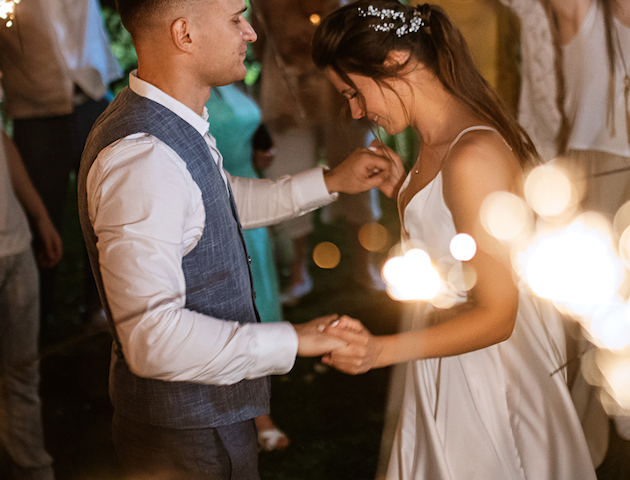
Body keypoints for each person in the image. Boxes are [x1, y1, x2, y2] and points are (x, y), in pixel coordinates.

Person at [76, 0, 394, 478]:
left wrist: (331, 181)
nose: (249, 32)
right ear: (184, 34)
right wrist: (296, 338)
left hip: (212, 417)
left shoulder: (168, 120)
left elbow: (217, 200)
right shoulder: (145, 159)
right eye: (234, 17)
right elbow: (151, 339)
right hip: (187, 436)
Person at [311, 1, 597, 478]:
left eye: (353, 92)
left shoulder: (471, 156)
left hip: (488, 374)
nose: (357, 111)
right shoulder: (437, 142)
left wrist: (378, 351)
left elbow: (498, 315)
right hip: (446, 354)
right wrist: (409, 193)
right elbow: (451, 237)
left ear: (393, 63)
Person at [0, 0, 123, 327]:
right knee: (41, 210)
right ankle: (39, 310)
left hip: (91, 97)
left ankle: (99, 303)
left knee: (103, 206)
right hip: (36, 108)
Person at [205, 83, 289, 451]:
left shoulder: (232, 81)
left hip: (250, 199)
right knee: (234, 310)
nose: (246, 33)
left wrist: (259, 149)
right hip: (216, 208)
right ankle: (258, 417)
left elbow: (250, 122)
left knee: (258, 301)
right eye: (236, 21)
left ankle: (256, 395)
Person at [0, 76, 63, 479]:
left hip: (15, 244)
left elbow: (3, 143)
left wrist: (39, 215)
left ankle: (32, 469)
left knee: (22, 369)